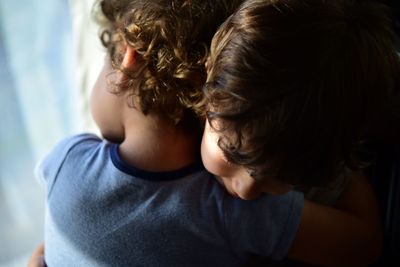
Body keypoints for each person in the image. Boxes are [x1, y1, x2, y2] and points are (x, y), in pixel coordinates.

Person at [29, 0, 393, 266]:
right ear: (210, 95)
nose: (248, 194)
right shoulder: (230, 213)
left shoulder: (65, 158)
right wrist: (339, 173)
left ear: (128, 57)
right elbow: (361, 243)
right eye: (234, 155)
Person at [201, 0, 400, 265]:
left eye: (281, 177)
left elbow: (366, 243)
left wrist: (257, 219)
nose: (248, 192)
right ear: (207, 78)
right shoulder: (207, 101)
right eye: (233, 152)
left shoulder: (312, 147)